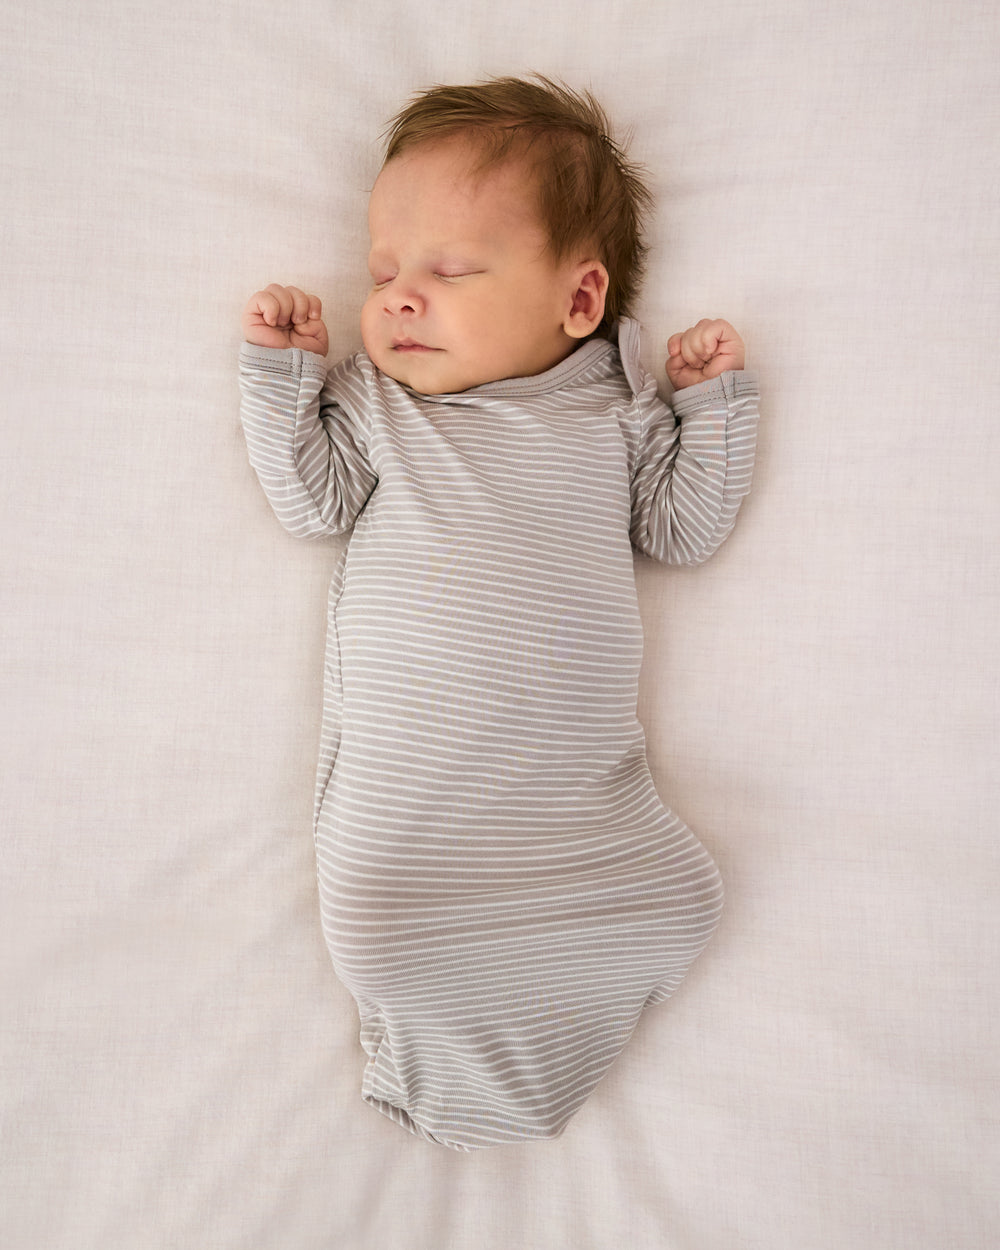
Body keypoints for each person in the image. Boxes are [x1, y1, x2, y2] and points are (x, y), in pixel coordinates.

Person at [238, 75, 759, 1151]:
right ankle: (438, 1041)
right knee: (379, 928)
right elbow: (311, 499)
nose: (395, 297)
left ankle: (591, 942)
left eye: (449, 269)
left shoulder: (615, 413)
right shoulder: (380, 405)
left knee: (673, 895)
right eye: (384, 271)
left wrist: (709, 407)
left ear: (578, 301)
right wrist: (282, 377)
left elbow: (683, 529)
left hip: (574, 799)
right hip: (419, 817)